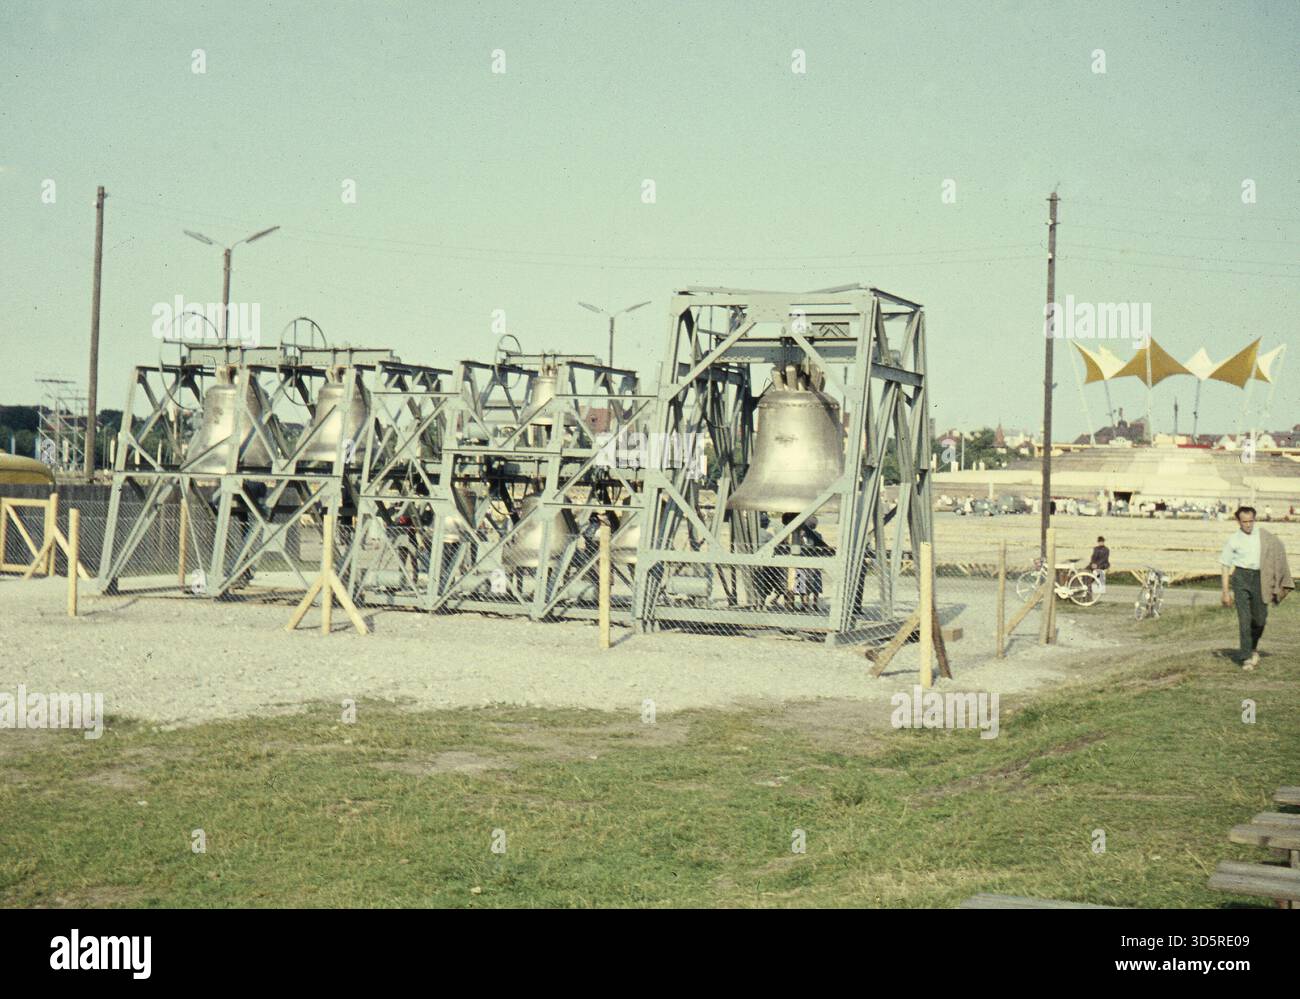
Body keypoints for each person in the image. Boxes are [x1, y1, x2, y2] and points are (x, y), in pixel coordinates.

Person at [1220, 506, 1294, 670]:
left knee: (1260, 619)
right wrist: (1225, 592)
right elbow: (1225, 566)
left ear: (1254, 519)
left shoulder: (1264, 536)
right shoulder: (1233, 539)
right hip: (1240, 578)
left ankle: (1252, 647)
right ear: (1238, 521)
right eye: (1244, 521)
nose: (1248, 525)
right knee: (1244, 619)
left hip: (1261, 578)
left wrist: (1278, 576)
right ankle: (1246, 657)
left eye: (1250, 521)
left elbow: (1278, 550)